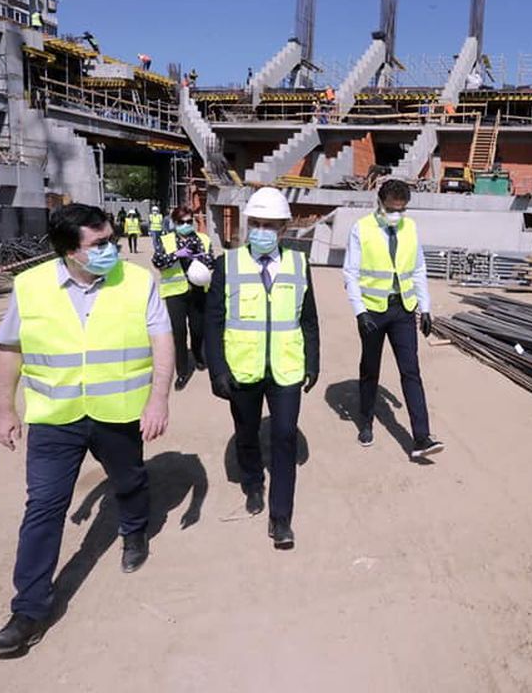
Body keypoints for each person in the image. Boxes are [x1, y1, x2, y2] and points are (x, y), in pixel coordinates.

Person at [0, 203, 174, 655]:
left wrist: (158, 398)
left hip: (117, 412)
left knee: (129, 481)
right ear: (69, 251)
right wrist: (3, 408)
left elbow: (161, 340)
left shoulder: (137, 281)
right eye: (99, 244)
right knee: (43, 507)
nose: (111, 249)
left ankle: (134, 531)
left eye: (111, 240)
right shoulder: (30, 287)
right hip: (55, 417)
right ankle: (28, 612)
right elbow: (10, 349)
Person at [203, 187, 319, 549]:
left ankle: (280, 518)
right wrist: (217, 369)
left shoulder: (299, 264)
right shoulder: (227, 264)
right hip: (242, 368)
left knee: (284, 436)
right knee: (247, 431)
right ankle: (253, 482)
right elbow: (212, 321)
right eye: (256, 223)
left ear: (284, 228)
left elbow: (309, 319)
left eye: (270, 225)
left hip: (286, 368)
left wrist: (312, 362)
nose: (261, 231)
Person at [342, 179, 443, 460]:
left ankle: (421, 437)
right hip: (373, 312)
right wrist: (359, 311)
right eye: (391, 209)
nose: (396, 214)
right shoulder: (362, 228)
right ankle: (365, 421)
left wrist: (425, 308)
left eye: (401, 209)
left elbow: (418, 269)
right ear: (380, 203)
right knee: (370, 369)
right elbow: (350, 273)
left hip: (403, 309)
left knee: (411, 371)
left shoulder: (410, 228)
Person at [152, 206, 213, 391]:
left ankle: (198, 355)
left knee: (198, 329)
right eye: (181, 222)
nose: (186, 225)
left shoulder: (203, 239)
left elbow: (211, 261)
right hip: (175, 293)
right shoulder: (166, 240)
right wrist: (175, 255)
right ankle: (182, 371)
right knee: (178, 333)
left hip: (198, 291)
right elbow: (157, 262)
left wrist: (200, 258)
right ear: (174, 223)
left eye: (189, 221)